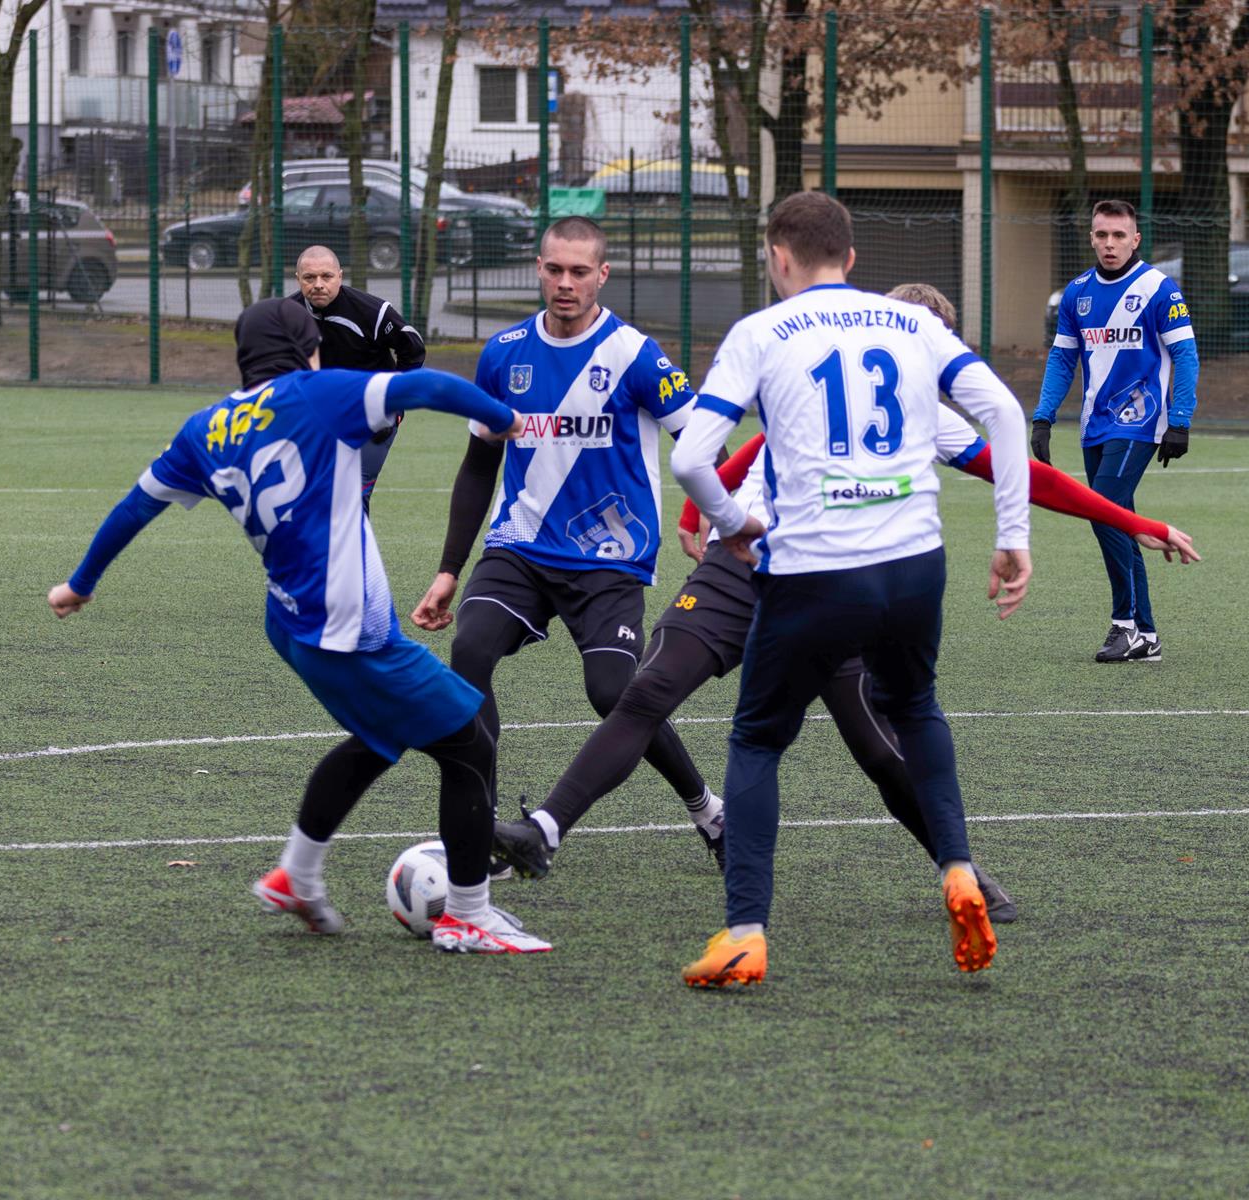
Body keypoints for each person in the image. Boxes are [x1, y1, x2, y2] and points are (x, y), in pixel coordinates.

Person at [492, 281, 1200, 927]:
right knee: (653, 691)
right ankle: (544, 829)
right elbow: (753, 450)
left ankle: (959, 870)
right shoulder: (868, 379)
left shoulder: (863, 384)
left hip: (806, 572)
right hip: (765, 564)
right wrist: (702, 511)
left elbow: (741, 450)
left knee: (871, 747)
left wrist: (1132, 520)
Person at [50, 298, 550, 955]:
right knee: (469, 745)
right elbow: (427, 385)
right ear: (308, 348)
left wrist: (81, 583)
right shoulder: (320, 393)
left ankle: (298, 876)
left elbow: (135, 507)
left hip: (289, 623)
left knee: (378, 738)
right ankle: (466, 915)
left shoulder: (205, 428)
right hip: (348, 631)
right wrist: (505, 418)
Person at [670, 192, 1035, 987]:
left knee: (757, 740)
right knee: (917, 709)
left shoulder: (761, 331)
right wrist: (1013, 536)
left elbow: (691, 458)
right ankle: (958, 869)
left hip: (814, 570)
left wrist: (731, 522)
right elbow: (1006, 414)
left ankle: (745, 933)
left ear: (778, 257)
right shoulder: (913, 324)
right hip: (914, 565)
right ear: (853, 258)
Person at [410, 216, 725, 863]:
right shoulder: (503, 354)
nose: (565, 282)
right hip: (519, 545)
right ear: (539, 268)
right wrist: (449, 568)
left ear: (602, 275)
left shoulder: (636, 355)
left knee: (614, 693)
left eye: (580, 271)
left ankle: (709, 811)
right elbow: (479, 465)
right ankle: (484, 832)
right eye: (554, 269)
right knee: (469, 652)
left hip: (610, 558)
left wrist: (716, 518)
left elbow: (702, 443)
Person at [1031, 199, 1199, 664]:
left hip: (1141, 420)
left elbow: (1185, 355)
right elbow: (1062, 358)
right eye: (1102, 234)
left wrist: (1180, 420)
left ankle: (1124, 624)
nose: (1110, 243)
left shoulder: (1159, 289)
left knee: (1102, 511)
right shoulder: (1077, 293)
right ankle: (1146, 635)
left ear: (1135, 239)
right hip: (1095, 423)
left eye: (1119, 235)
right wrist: (1043, 417)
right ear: (1091, 238)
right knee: (1119, 518)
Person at [275, 245, 426, 510]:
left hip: (372, 415)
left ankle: (354, 540)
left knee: (352, 495)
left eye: (326, 276)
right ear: (298, 279)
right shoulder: (286, 316)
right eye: (309, 277)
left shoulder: (373, 312)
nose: (318, 284)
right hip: (319, 416)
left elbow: (413, 350)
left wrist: (393, 401)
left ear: (340, 276)